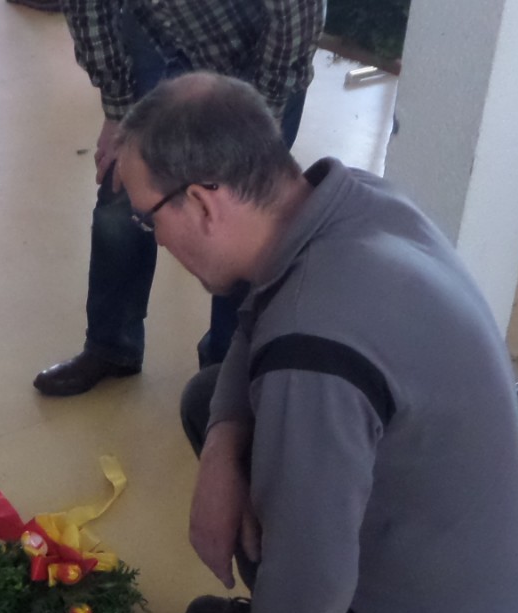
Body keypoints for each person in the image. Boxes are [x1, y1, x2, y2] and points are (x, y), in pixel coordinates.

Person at [116, 73, 518, 613]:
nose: (154, 237)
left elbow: (314, 555)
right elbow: (262, 313)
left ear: (200, 202)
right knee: (211, 401)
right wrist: (224, 448)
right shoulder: (343, 201)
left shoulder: (312, 346)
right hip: (439, 544)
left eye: (148, 219)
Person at [33, 0, 323, 397]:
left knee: (240, 213)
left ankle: (227, 372)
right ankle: (111, 346)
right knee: (122, 185)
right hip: (156, 36)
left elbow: (296, 17)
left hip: (258, 52)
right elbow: (88, 9)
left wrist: (263, 116)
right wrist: (118, 111)